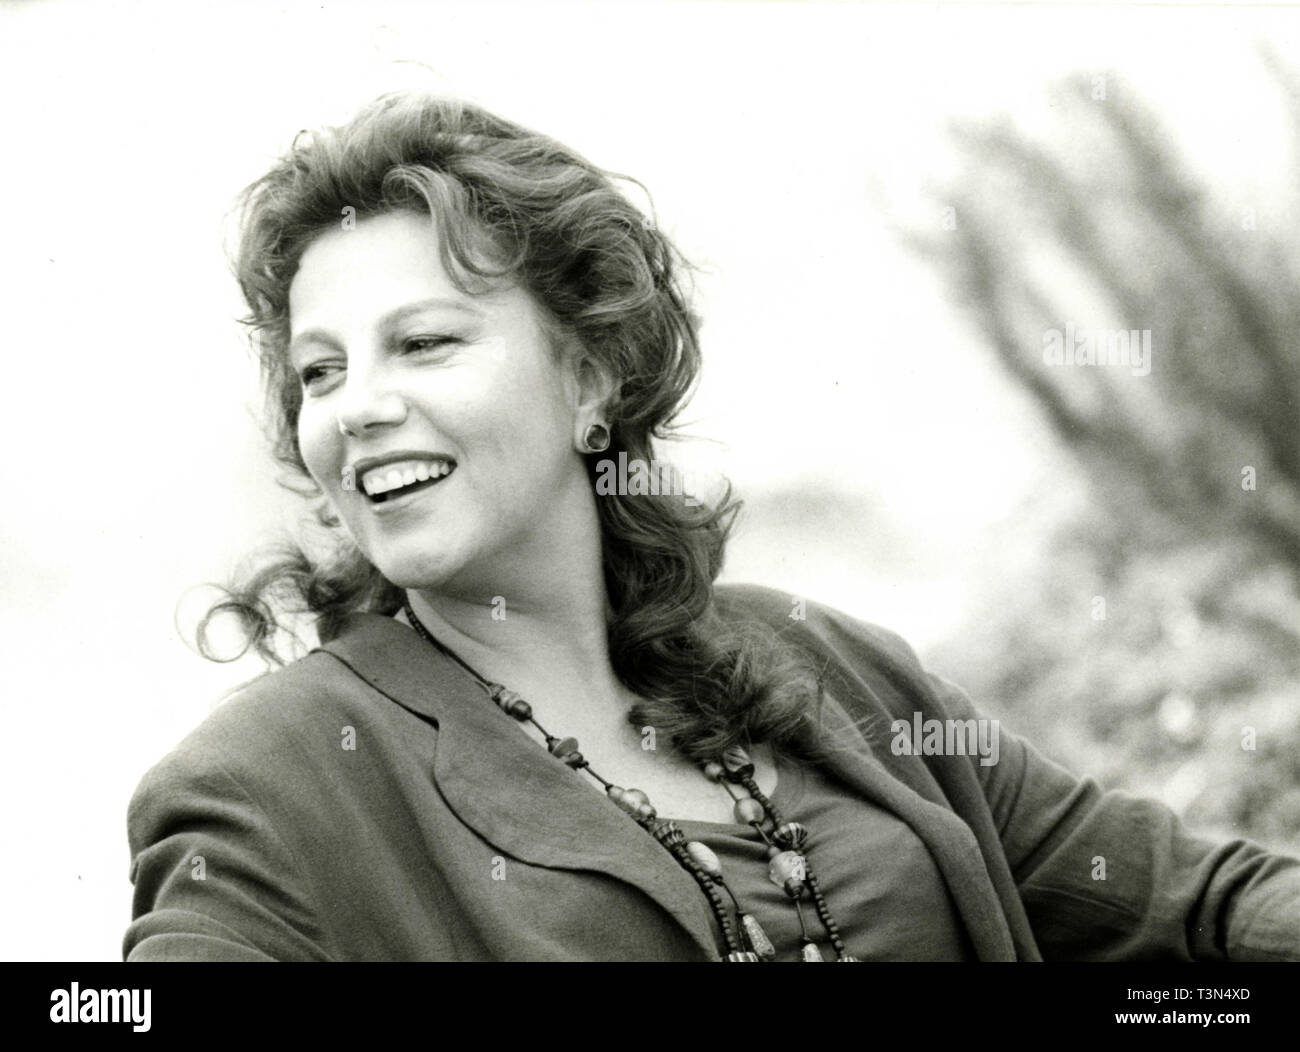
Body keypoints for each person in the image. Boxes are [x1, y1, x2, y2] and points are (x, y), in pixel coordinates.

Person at [123, 91, 1300, 962]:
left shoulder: (835, 670)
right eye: (319, 372)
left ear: (588, 381)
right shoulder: (272, 785)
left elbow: (1192, 909)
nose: (358, 406)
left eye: (423, 342)